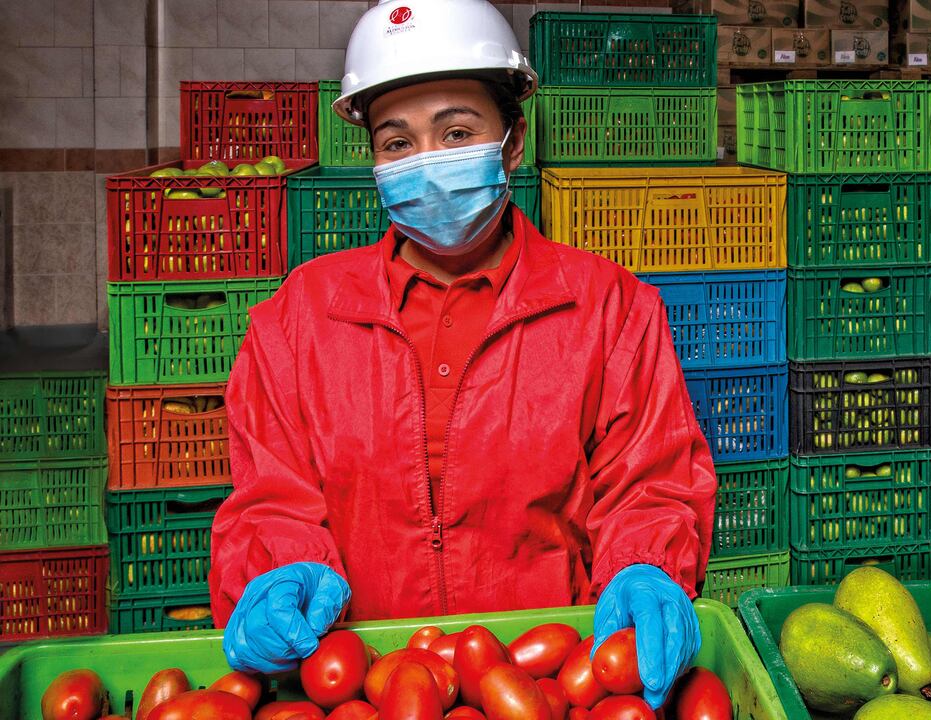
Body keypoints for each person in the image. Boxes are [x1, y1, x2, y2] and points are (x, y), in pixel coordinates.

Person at [208, 0, 717, 709]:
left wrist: (644, 565)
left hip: (542, 681)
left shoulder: (610, 308)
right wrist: (280, 569)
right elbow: (271, 495)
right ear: (374, 160)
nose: (428, 164)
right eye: (397, 143)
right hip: (367, 684)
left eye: (456, 132)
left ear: (512, 142)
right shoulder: (298, 318)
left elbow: (650, 482)